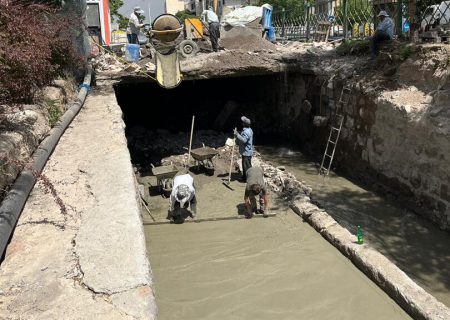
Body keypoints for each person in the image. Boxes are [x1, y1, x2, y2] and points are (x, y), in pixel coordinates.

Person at [234, 116, 253, 182]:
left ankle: (248, 179)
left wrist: (237, 134)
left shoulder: (246, 132)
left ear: (244, 124)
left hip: (246, 152)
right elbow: (244, 135)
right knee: (245, 166)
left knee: (247, 167)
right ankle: (244, 178)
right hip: (247, 151)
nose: (242, 123)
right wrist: (238, 133)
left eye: (243, 122)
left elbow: (244, 140)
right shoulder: (249, 129)